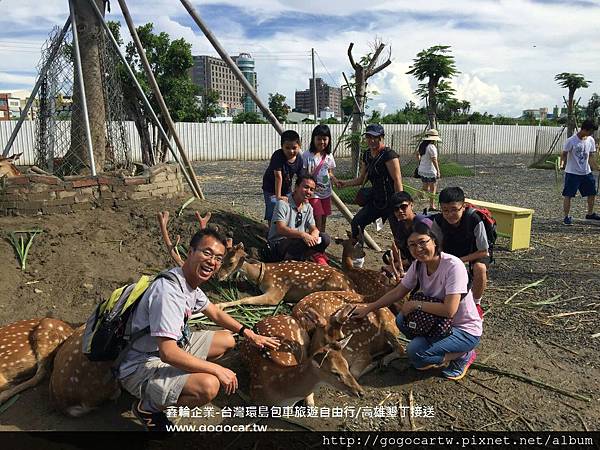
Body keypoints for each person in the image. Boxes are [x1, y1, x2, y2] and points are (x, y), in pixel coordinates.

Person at [117, 228, 280, 432]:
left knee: (227, 340)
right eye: (207, 253)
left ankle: (179, 380)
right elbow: (168, 353)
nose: (213, 261)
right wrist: (217, 369)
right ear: (190, 252)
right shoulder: (169, 294)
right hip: (141, 363)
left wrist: (249, 333)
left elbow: (216, 314)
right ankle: (148, 408)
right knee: (209, 386)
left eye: (218, 258)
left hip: (168, 348)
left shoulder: (187, 282)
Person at [352, 222, 482, 380]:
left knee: (416, 355)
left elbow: (450, 310)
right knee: (401, 320)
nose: (418, 249)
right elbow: (399, 291)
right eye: (412, 245)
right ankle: (431, 345)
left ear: (434, 240)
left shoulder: (453, 266)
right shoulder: (419, 265)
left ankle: (463, 354)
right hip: (438, 323)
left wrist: (415, 305)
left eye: (422, 242)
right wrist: (368, 308)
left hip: (463, 329)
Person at [336, 124, 403, 241]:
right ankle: (358, 255)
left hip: (392, 200)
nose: (371, 140)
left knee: (399, 233)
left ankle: (406, 257)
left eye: (375, 137)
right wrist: (345, 183)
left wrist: (400, 203)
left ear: (381, 137)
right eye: (368, 137)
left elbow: (397, 180)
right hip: (377, 200)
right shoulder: (367, 155)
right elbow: (361, 179)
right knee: (357, 222)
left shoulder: (389, 155)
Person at [431, 187, 488, 319]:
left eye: (454, 210)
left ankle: (476, 303)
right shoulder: (438, 221)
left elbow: (484, 251)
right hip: (451, 253)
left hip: (474, 253)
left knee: (480, 268)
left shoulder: (474, 219)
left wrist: (459, 260)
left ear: (463, 207)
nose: (450, 214)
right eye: (445, 210)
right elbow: (435, 247)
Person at [268, 174, 330, 264]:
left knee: (325, 238)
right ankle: (289, 263)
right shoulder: (282, 204)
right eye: (306, 187)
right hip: (279, 244)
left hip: (298, 242)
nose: (308, 192)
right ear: (296, 187)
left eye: (312, 190)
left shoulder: (308, 207)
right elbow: (281, 229)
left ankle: (305, 257)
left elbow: (313, 227)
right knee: (300, 242)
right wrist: (303, 235)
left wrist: (315, 233)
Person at [561, 119, 600, 225]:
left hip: (586, 172)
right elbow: (564, 154)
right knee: (568, 195)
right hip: (572, 173)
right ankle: (566, 216)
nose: (591, 134)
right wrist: (562, 164)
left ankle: (590, 213)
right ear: (584, 129)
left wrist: (596, 167)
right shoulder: (571, 140)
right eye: (590, 131)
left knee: (592, 193)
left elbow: (591, 156)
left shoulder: (590, 140)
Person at [261, 130, 304, 225]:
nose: (291, 151)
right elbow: (278, 176)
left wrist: (300, 194)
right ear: (282, 147)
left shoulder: (299, 159)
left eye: (294, 148)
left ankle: (285, 230)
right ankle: (271, 232)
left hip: (286, 187)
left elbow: (301, 178)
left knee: (289, 207)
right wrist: (278, 196)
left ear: (299, 146)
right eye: (287, 148)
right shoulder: (278, 156)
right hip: (271, 187)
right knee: (273, 205)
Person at [303, 124, 337, 233]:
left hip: (326, 193)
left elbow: (330, 172)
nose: (322, 142)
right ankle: (315, 242)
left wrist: (335, 180)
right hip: (313, 193)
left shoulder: (329, 156)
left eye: (325, 139)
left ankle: (321, 241)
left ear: (329, 140)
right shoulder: (307, 155)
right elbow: (302, 174)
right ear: (313, 139)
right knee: (317, 217)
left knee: (323, 219)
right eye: (319, 139)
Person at [386, 191, 429, 270]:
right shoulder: (401, 224)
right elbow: (396, 245)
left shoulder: (422, 222)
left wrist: (396, 265)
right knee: (387, 256)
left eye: (403, 207)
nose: (400, 211)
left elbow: (426, 253)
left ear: (411, 205)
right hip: (411, 257)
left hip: (425, 260)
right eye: (396, 209)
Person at [416, 129, 442, 212]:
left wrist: (420, 161)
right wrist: (438, 171)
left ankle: (415, 197)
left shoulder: (422, 146)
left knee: (425, 187)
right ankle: (432, 205)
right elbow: (434, 159)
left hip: (422, 170)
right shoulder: (432, 147)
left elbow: (417, 154)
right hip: (430, 171)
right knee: (432, 189)